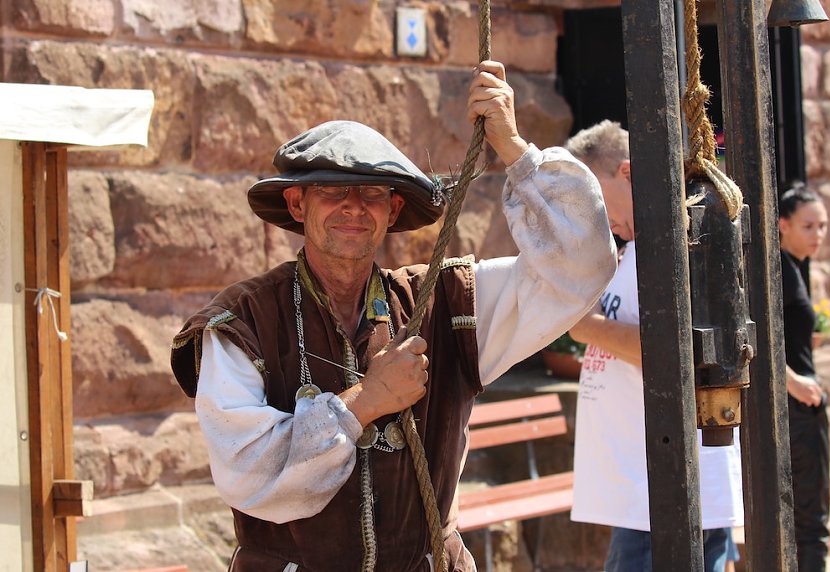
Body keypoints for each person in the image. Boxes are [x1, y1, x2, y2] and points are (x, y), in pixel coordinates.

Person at [169, 60, 617, 571]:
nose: (353, 207)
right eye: (332, 191)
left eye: (373, 194)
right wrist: (365, 402)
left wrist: (513, 147)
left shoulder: (447, 302)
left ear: (394, 211)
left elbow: (581, 263)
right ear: (297, 204)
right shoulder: (241, 321)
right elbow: (247, 470)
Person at [564, 120, 744, 572]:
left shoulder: (674, 248)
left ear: (627, 172)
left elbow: (678, 356)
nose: (597, 217)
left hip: (668, 489)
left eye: (597, 200)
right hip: (643, 488)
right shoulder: (633, 251)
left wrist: (588, 328)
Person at [779, 184, 830, 571]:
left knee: (806, 519)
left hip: (801, 403)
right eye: (809, 225)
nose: (818, 234)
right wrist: (791, 379)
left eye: (823, 226)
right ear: (783, 225)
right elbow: (755, 337)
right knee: (809, 521)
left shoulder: (795, 266)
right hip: (796, 407)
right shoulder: (779, 266)